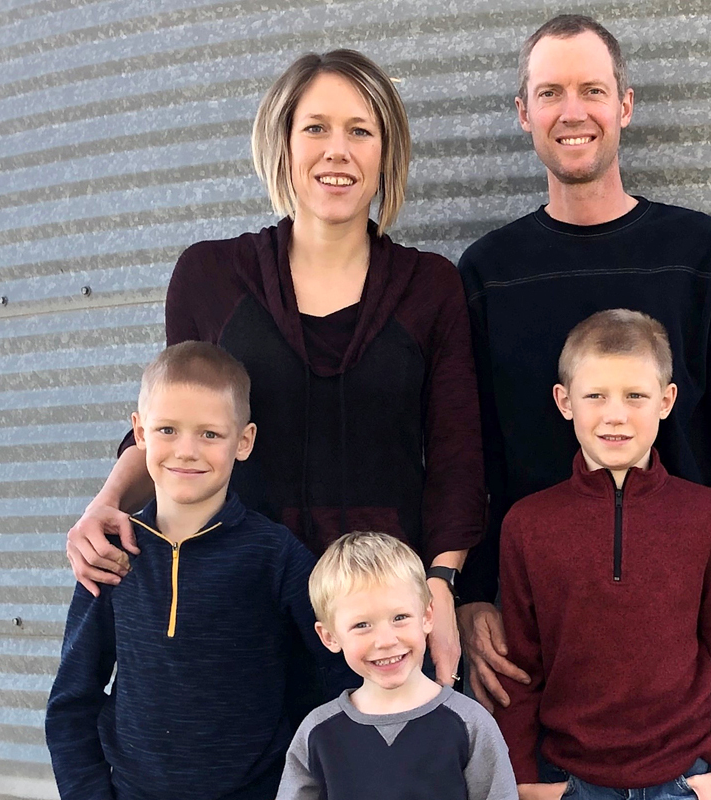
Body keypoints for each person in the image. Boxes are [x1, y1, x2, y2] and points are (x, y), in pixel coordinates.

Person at [64, 50, 484, 687]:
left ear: (385, 153)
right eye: (315, 127)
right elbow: (171, 425)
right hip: (239, 597)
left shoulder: (431, 286)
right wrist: (105, 503)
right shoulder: (211, 277)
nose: (336, 150)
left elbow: (456, 458)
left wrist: (441, 587)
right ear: (282, 143)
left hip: (378, 619)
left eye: (360, 130)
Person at [456, 14, 711, 729]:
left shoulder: (703, 254)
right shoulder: (489, 273)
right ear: (524, 113)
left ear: (625, 106)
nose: (572, 112)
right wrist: (473, 591)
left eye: (592, 90)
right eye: (550, 92)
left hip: (681, 640)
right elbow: (469, 445)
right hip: (540, 642)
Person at [46, 342, 346, 800]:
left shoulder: (274, 553)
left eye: (209, 434)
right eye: (167, 429)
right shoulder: (109, 555)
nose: (186, 451)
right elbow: (72, 699)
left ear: (243, 442)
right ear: (140, 431)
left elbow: (337, 668)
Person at [496, 310, 711, 800]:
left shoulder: (709, 516)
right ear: (564, 401)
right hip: (567, 781)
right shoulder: (527, 524)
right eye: (595, 396)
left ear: (666, 400)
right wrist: (521, 782)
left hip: (686, 779)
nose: (615, 414)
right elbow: (520, 667)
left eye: (636, 395)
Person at [277, 531, 518, 800]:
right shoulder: (317, 733)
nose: (385, 641)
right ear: (329, 636)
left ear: (428, 616)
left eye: (400, 617)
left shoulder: (470, 724)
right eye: (362, 625)